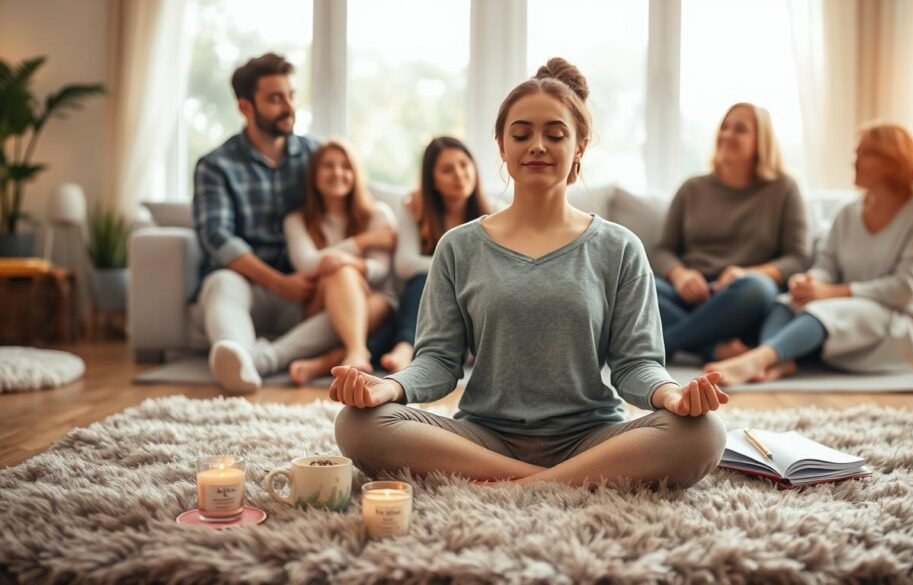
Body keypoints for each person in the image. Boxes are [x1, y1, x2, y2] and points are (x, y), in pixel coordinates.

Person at [329, 58, 728, 488]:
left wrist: (673, 395)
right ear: (501, 146)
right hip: (483, 437)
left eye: (555, 135)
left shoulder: (619, 247)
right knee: (357, 423)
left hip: (590, 437)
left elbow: (635, 365)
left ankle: (518, 484)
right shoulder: (458, 246)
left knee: (704, 432)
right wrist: (387, 389)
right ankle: (557, 481)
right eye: (521, 134)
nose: (537, 145)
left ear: (579, 145)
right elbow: (439, 362)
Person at [705, 124, 913, 384]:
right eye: (857, 152)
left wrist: (833, 292)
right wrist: (811, 283)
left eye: (866, 153)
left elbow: (904, 289)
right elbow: (826, 264)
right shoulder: (848, 211)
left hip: (898, 320)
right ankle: (776, 362)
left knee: (827, 312)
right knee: (787, 302)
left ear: (893, 162)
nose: (855, 161)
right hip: (846, 309)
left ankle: (757, 360)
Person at [193, 52, 325, 393]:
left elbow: (353, 204)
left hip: (304, 292)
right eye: (275, 98)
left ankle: (262, 361)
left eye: (291, 96)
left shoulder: (316, 156)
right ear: (246, 107)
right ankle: (235, 355)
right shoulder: (216, 165)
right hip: (245, 285)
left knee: (348, 292)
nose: (288, 106)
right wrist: (280, 283)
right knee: (221, 282)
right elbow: (217, 236)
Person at [652, 103, 810, 364]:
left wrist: (747, 273)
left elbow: (798, 259)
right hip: (689, 295)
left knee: (758, 289)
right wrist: (681, 276)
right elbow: (662, 250)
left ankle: (666, 344)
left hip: (742, 300)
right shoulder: (692, 188)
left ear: (761, 141)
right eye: (724, 127)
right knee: (640, 287)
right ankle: (712, 350)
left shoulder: (784, 189)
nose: (727, 135)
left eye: (740, 129)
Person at [280, 139, 399, 383]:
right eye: (328, 166)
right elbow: (308, 264)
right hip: (318, 305)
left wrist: (348, 261)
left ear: (355, 173)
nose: (337, 173)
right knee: (340, 270)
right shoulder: (297, 220)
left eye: (345, 167)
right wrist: (361, 244)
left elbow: (381, 271)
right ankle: (356, 349)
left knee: (381, 301)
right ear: (313, 174)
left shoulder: (378, 214)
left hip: (375, 303)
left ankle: (330, 361)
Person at [379, 136, 492, 373]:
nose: (459, 175)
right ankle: (404, 349)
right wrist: (454, 271)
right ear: (433, 180)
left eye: (464, 164)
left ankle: (410, 349)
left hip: (473, 302)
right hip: (423, 306)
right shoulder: (413, 207)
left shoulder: (495, 212)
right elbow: (404, 265)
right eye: (447, 170)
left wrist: (454, 272)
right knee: (423, 281)